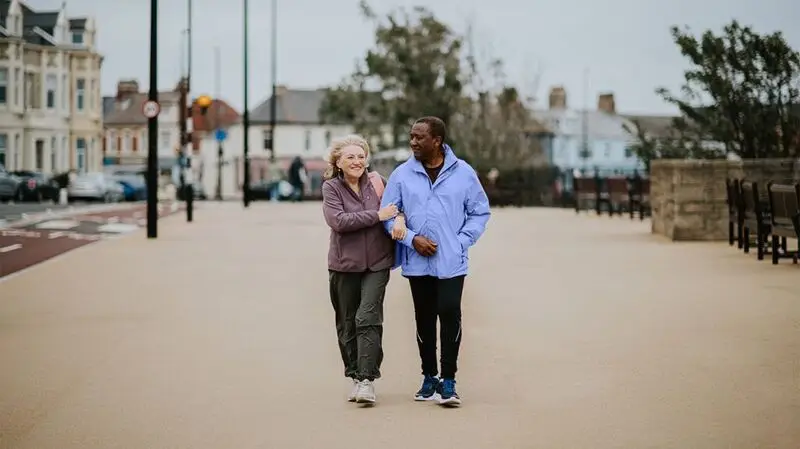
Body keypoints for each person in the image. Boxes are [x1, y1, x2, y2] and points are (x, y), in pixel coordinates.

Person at [381, 116, 490, 407]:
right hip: (417, 262)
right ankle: (429, 376)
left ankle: (449, 380)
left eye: (419, 137)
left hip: (452, 261)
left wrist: (460, 242)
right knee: (424, 318)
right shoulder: (401, 175)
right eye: (411, 136)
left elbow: (480, 212)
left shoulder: (464, 173)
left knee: (449, 311)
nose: (413, 142)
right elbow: (388, 216)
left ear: (437, 141)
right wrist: (410, 239)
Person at [321, 134, 407, 405]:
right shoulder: (331, 188)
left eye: (361, 156)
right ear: (338, 161)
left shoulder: (378, 182)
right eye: (350, 157)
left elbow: (398, 207)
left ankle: (368, 380)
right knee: (347, 322)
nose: (358, 161)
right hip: (344, 265)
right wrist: (376, 216)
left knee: (367, 318)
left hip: (377, 264)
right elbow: (338, 221)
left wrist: (399, 219)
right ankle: (356, 376)